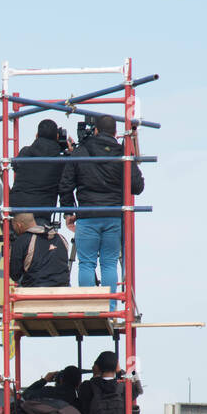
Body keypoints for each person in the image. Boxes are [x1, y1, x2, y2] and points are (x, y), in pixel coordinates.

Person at [60, 114, 145, 296]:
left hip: (87, 215)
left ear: (96, 130)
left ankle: (90, 305)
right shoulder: (122, 152)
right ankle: (110, 306)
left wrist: (69, 211)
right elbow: (137, 187)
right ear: (115, 132)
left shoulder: (81, 151)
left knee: (87, 263)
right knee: (109, 262)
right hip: (114, 215)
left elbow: (65, 184)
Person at [9, 118, 71, 224]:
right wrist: (71, 154)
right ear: (57, 137)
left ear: (37, 135)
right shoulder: (61, 161)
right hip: (41, 212)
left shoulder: (24, 152)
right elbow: (65, 187)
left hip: (17, 209)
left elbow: (15, 166)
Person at [10, 213, 70, 288]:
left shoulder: (22, 241)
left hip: (35, 290)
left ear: (19, 225)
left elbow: (15, 275)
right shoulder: (60, 238)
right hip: (63, 289)